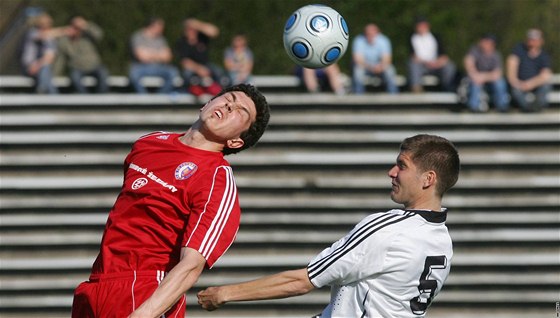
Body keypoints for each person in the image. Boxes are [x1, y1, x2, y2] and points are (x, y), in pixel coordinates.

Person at [198, 134, 461, 318]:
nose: (391, 172)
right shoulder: (442, 240)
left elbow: (302, 281)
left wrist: (224, 293)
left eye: (402, 166)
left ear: (428, 179)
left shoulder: (389, 228)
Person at [71, 83, 271, 318]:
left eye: (240, 111)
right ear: (206, 103)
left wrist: (143, 315)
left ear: (236, 142)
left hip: (144, 290)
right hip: (96, 283)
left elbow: (191, 266)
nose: (229, 105)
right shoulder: (149, 143)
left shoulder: (217, 178)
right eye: (229, 97)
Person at [57, 16, 109, 93]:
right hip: (78, 68)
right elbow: (60, 59)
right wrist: (55, 74)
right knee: (74, 77)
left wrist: (85, 25)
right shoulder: (65, 41)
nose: (75, 30)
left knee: (103, 74)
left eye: (77, 28)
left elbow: (99, 34)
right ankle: (85, 98)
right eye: (73, 27)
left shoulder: (88, 36)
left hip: (94, 67)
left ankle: (101, 98)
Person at [175, 18, 225, 96]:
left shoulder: (202, 39)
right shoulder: (182, 42)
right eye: (189, 29)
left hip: (206, 65)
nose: (192, 32)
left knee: (219, 72)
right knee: (187, 74)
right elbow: (185, 62)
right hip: (192, 67)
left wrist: (197, 24)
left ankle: (220, 92)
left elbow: (215, 32)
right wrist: (199, 69)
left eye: (193, 29)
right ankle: (194, 90)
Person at [506, 28, 552, 112]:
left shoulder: (544, 56)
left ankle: (537, 107)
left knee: (545, 86)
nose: (532, 42)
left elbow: (545, 75)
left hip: (535, 85)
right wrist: (517, 82)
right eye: (530, 39)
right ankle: (527, 108)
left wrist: (530, 84)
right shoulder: (518, 50)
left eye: (535, 39)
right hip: (519, 84)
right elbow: (511, 65)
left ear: (541, 41)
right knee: (515, 91)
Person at [129, 17, 179, 94]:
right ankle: (144, 98)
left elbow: (168, 57)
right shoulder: (138, 36)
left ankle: (160, 97)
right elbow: (141, 57)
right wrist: (159, 54)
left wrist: (149, 53)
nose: (162, 29)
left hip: (159, 67)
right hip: (142, 67)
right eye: (160, 26)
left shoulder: (161, 39)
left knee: (173, 72)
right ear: (153, 26)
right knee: (133, 74)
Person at [408, 17, 456, 92]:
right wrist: (427, 62)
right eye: (419, 26)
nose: (421, 28)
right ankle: (416, 88)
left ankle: (448, 87)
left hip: (436, 64)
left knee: (449, 66)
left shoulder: (436, 37)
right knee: (413, 64)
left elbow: (443, 55)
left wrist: (437, 63)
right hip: (422, 65)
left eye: (423, 26)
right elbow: (414, 57)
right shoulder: (412, 38)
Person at [20, 12, 65, 94]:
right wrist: (64, 31)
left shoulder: (51, 40)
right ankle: (55, 98)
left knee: (45, 69)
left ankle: (43, 91)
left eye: (48, 23)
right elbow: (43, 35)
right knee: (45, 72)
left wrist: (37, 65)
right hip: (28, 67)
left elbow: (50, 57)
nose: (46, 25)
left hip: (41, 68)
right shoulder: (32, 32)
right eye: (43, 23)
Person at [463, 34, 509, 112]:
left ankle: (502, 106)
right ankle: (473, 107)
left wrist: (482, 77)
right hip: (476, 79)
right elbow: (469, 66)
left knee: (500, 83)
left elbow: (498, 74)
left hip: (488, 80)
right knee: (475, 83)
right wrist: (477, 77)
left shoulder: (496, 55)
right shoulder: (474, 51)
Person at [352, 23, 399, 94]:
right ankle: (358, 95)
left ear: (377, 33)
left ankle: (393, 94)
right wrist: (370, 67)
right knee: (358, 70)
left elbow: (387, 59)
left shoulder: (383, 40)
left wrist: (380, 67)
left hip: (380, 67)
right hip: (366, 67)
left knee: (390, 70)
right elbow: (358, 60)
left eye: (372, 34)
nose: (370, 36)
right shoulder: (359, 40)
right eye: (368, 34)